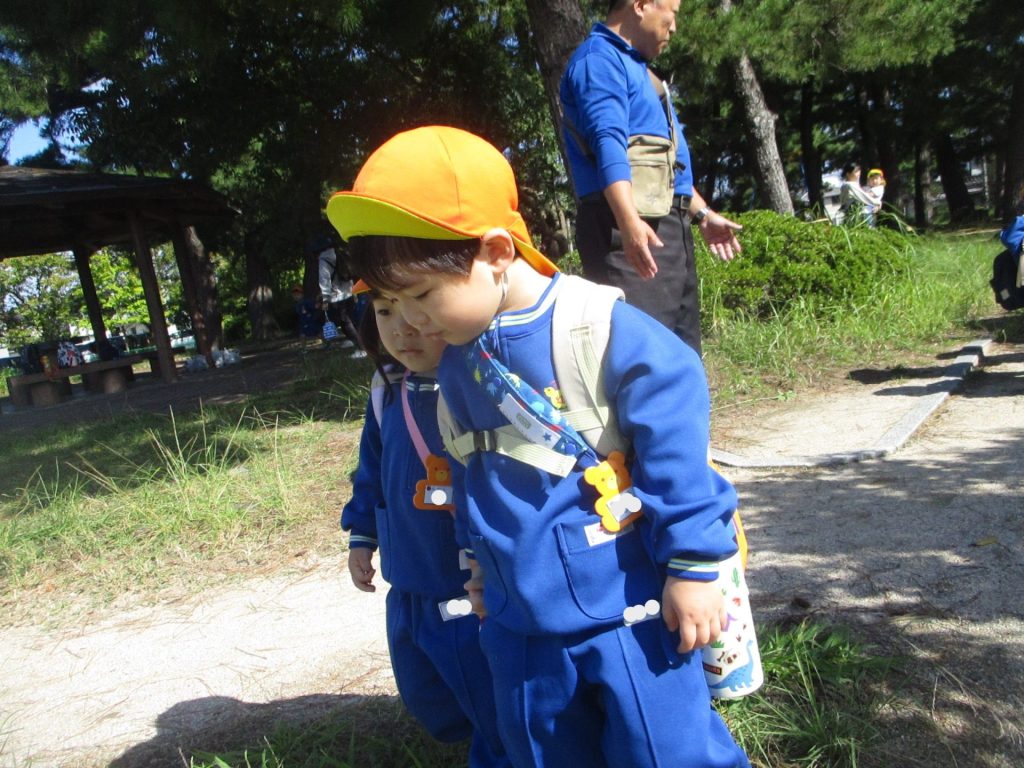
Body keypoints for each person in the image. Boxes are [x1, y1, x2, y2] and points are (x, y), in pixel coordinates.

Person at [327, 125, 750, 768]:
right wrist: (474, 562)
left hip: (629, 613)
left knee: (666, 751)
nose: (410, 322)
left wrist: (692, 565)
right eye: (393, 303)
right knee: (539, 751)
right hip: (517, 627)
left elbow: (678, 453)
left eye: (421, 296)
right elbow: (469, 473)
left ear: (496, 252)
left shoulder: (595, 328)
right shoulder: (459, 362)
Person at [340, 287, 509, 767]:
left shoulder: (478, 386)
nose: (402, 328)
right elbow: (371, 470)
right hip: (407, 584)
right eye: (385, 311)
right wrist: (362, 535)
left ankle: (500, 752)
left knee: (485, 699)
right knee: (424, 692)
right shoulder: (386, 390)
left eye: (417, 309)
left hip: (462, 588)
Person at [559, 0, 742, 355]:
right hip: (626, 229)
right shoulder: (599, 60)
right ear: (641, 5)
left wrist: (702, 214)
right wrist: (628, 223)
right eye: (672, 13)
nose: (674, 27)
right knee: (646, 359)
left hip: (663, 227)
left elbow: (666, 164)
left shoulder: (640, 69)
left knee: (682, 359)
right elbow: (608, 143)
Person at [312, 234, 365, 356]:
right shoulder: (339, 253)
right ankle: (363, 343)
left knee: (345, 323)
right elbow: (348, 273)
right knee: (353, 320)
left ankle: (361, 349)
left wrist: (325, 299)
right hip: (349, 292)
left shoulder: (324, 260)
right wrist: (353, 291)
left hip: (337, 297)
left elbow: (324, 281)